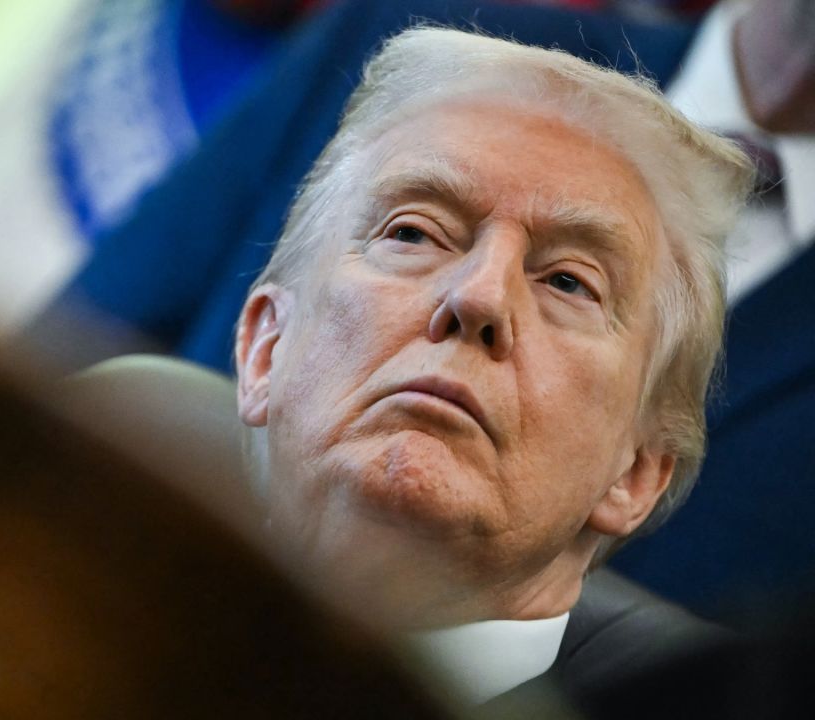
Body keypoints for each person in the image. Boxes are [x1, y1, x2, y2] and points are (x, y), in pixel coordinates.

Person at [228, 27, 752, 704]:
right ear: (265, 350)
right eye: (413, 233)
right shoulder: (96, 584)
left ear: (637, 472)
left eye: (568, 282)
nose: (478, 296)